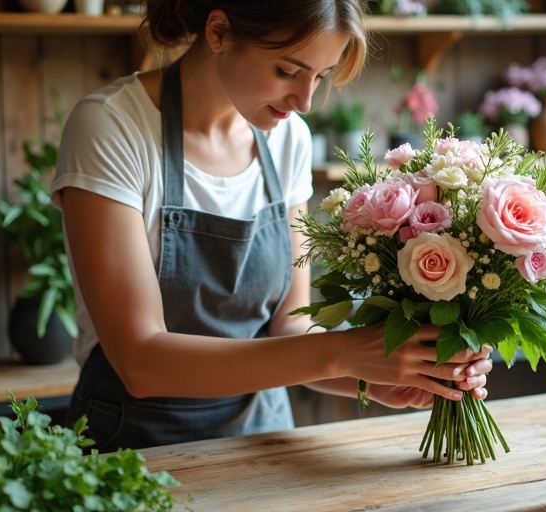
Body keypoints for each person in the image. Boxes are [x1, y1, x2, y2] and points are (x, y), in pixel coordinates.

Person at [50, 0, 493, 453]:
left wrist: (375, 378)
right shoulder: (110, 128)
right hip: (135, 443)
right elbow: (140, 362)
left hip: (263, 437)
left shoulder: (288, 138)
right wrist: (346, 352)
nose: (305, 101)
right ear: (219, 32)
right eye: (287, 70)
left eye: (319, 77)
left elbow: (288, 330)